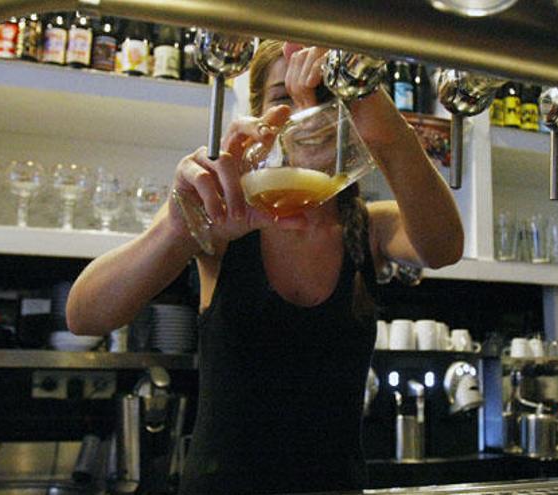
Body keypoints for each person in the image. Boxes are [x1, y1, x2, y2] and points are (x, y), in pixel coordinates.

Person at [66, 40, 463, 494]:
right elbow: (85, 316)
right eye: (282, 98)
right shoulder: (225, 220)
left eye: (327, 95)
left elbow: (443, 247)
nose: (307, 112)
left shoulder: (370, 228)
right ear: (257, 117)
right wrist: (177, 228)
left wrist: (368, 95)